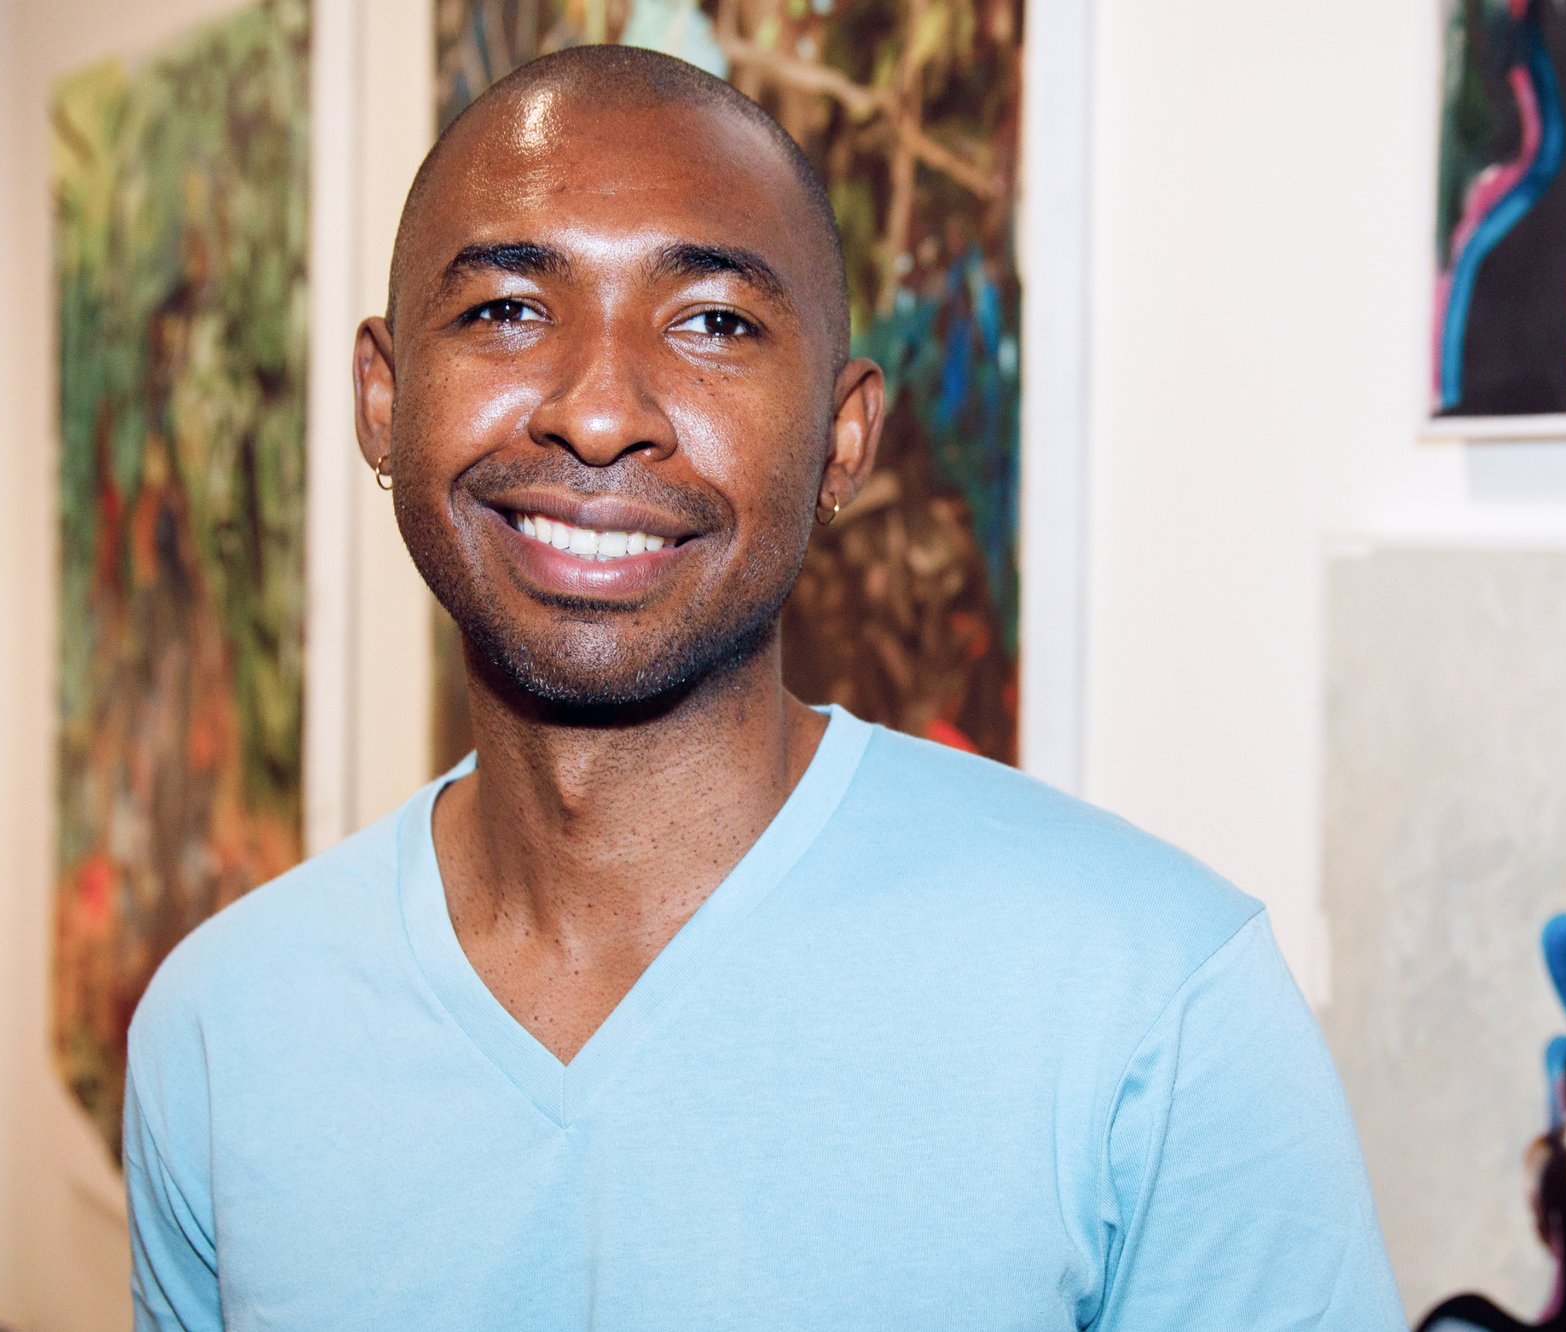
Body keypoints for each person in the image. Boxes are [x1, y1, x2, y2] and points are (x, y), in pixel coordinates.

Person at [124, 45, 1402, 1330]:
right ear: (384, 401)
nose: (600, 409)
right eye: (508, 307)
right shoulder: (226, 1031)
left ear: (843, 438)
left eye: (714, 323)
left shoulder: (1151, 1006)